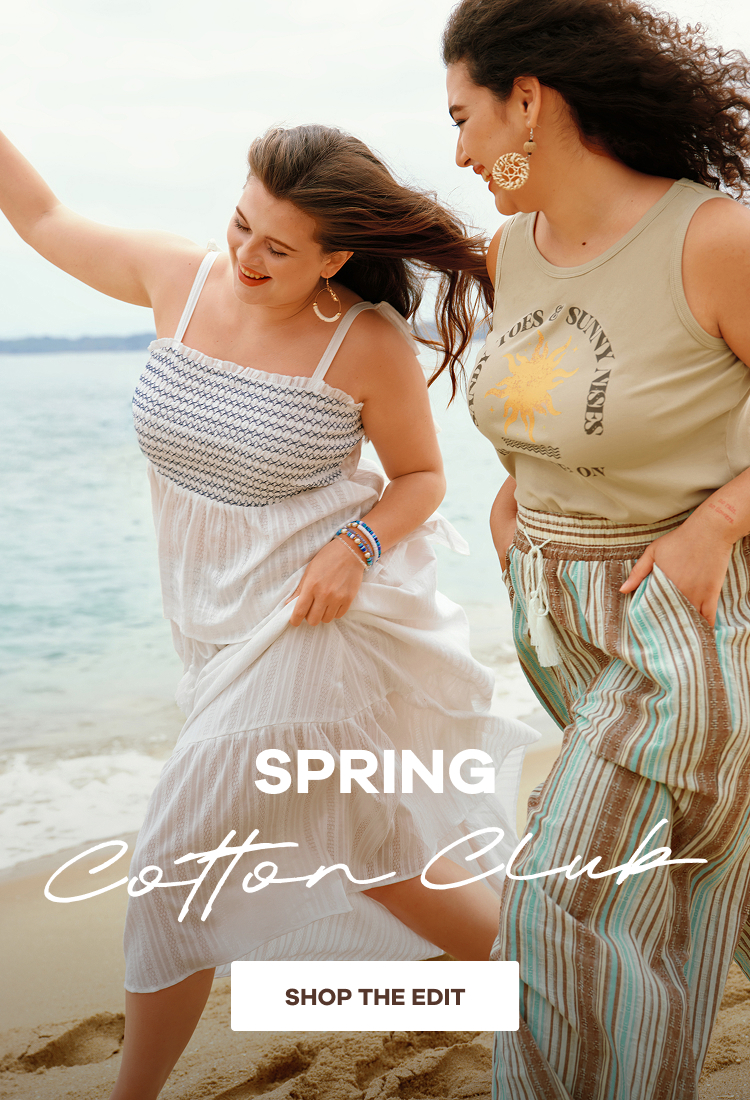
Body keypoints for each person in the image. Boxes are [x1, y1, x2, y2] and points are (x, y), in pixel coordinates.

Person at [0, 121, 539, 1098]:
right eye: (241, 224)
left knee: (174, 855)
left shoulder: (362, 342)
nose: (247, 256)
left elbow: (420, 477)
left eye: (278, 246)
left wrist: (356, 544)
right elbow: (40, 215)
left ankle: (133, 1091)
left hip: (313, 623)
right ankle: (554, 994)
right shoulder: (182, 277)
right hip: (211, 628)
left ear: (336, 255)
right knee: (378, 857)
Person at [441, 0, 750, 1096]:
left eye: (466, 116)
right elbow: (552, 404)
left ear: (531, 100)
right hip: (559, 618)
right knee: (683, 888)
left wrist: (717, 522)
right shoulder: (509, 249)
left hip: (677, 613)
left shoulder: (713, 237)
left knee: (561, 895)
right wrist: (515, 499)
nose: (462, 150)